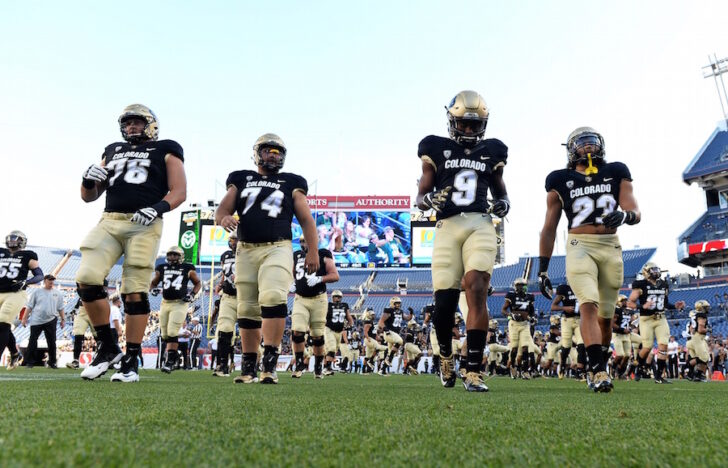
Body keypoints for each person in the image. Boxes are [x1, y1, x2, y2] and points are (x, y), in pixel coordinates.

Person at [75, 104, 187, 383]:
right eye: (128, 124)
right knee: (86, 277)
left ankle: (131, 358)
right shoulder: (112, 149)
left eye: (137, 122)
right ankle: (109, 346)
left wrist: (159, 207)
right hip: (110, 220)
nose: (131, 128)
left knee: (135, 289)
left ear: (151, 125)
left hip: (144, 223)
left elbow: (180, 191)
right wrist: (88, 179)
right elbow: (89, 196)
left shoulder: (166, 148)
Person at [416, 90, 509, 392]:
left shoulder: (493, 151)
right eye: (464, 124)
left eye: (474, 124)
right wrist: (428, 199)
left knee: (478, 287)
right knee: (443, 306)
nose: (469, 130)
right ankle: (445, 356)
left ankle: (473, 370)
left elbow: (501, 192)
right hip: (446, 227)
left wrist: (504, 204)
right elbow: (420, 195)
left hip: (480, 223)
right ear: (452, 121)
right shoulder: (434, 147)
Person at [539, 126, 640, 393]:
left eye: (592, 142)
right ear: (571, 149)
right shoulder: (560, 179)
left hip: (610, 245)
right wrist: (543, 269)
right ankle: (596, 371)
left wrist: (625, 217)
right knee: (588, 305)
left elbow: (633, 209)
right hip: (579, 244)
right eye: (582, 143)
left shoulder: (616, 171)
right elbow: (549, 227)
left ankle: (600, 362)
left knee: (606, 318)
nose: (588, 147)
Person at [216, 133, 319, 385]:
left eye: (278, 152)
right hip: (246, 249)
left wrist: (313, 251)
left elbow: (306, 218)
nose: (273, 156)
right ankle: (249, 365)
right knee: (247, 307)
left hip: (278, 246)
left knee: (273, 296)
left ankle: (270, 364)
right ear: (257, 153)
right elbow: (222, 210)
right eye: (268, 151)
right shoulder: (241, 178)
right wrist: (223, 219)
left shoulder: (291, 181)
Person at [291, 235, 339, 379]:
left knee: (317, 335)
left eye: (305, 240)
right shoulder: (297, 255)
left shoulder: (323, 254)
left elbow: (335, 275)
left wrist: (319, 278)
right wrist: (293, 282)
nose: (303, 244)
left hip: (318, 299)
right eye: (301, 241)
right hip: (300, 298)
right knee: (297, 331)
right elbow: (293, 272)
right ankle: (299, 364)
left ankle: (318, 366)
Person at [628, 262, 685, 383]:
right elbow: (630, 303)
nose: (656, 271)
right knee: (647, 347)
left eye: (656, 269)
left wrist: (675, 306)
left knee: (663, 346)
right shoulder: (640, 284)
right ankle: (638, 367)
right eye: (653, 269)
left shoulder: (663, 284)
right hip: (646, 319)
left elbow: (664, 304)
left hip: (661, 318)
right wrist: (643, 306)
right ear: (646, 272)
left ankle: (659, 376)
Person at [150, 245, 201, 373]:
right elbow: (153, 283)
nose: (172, 257)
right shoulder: (161, 268)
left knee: (173, 332)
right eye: (170, 254)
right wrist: (153, 289)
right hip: (165, 303)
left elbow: (198, 283)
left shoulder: (187, 268)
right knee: (165, 334)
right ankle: (174, 357)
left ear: (180, 256)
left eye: (175, 254)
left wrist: (192, 294)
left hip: (180, 303)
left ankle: (170, 362)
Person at [0, 231, 43, 369]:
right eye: (10, 238)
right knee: (3, 327)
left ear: (22, 241)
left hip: (15, 293)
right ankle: (14, 353)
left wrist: (26, 282)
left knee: (2, 323)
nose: (12, 240)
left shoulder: (27, 255)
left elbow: (39, 275)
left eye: (15, 238)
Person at [22, 275, 65, 368]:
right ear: (45, 281)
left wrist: (63, 319)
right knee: (32, 341)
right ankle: (30, 362)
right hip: (36, 320)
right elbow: (29, 306)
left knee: (52, 342)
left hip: (51, 320)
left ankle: (52, 362)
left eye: (53, 281)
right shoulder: (37, 292)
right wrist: (24, 318)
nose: (51, 283)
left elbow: (61, 308)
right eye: (50, 281)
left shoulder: (58, 293)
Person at [213, 233, 237, 377]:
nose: (232, 243)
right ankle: (223, 365)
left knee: (251, 330)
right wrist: (221, 283)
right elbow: (225, 272)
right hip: (228, 296)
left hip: (246, 296)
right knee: (224, 330)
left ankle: (252, 366)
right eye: (231, 240)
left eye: (235, 240)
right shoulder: (225, 255)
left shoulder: (249, 252)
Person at [502, 278, 535, 379]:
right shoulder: (511, 295)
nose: (521, 287)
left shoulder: (530, 297)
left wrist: (532, 317)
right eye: (519, 285)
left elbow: (531, 312)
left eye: (522, 285)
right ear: (515, 286)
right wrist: (510, 315)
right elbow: (503, 310)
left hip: (524, 324)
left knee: (525, 347)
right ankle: (512, 366)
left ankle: (525, 371)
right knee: (514, 348)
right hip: (514, 324)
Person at [551, 283, 585, 379]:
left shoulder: (583, 287)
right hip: (567, 320)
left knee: (582, 345)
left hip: (579, 319)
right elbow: (553, 306)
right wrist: (564, 308)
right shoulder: (564, 289)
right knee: (566, 347)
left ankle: (579, 371)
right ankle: (562, 365)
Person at [376, 297, 412, 376]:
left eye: (399, 303)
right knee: (400, 341)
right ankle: (388, 360)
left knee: (390, 353)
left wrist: (411, 313)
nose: (398, 305)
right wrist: (385, 329)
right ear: (392, 303)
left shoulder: (400, 311)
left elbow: (407, 318)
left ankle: (382, 370)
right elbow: (380, 322)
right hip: (389, 333)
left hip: (395, 334)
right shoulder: (389, 310)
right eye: (396, 303)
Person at [323, 290, 354, 375]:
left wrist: (350, 325)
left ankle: (324, 366)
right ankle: (327, 368)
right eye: (336, 296)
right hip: (329, 329)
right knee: (331, 348)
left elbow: (349, 317)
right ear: (332, 297)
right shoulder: (328, 305)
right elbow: (323, 316)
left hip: (339, 331)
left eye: (339, 297)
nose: (338, 298)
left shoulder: (344, 305)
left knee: (333, 350)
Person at [686, 300, 711, 382]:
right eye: (706, 307)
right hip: (698, 338)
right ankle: (697, 375)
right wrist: (708, 329)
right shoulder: (701, 315)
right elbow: (700, 329)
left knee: (700, 358)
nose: (707, 309)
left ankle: (692, 373)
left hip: (692, 338)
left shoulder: (694, 315)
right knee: (704, 357)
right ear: (701, 308)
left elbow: (691, 328)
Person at [611, 295, 633, 379]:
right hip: (618, 334)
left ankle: (620, 371)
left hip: (626, 335)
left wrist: (631, 327)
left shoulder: (628, 311)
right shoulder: (616, 310)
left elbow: (630, 323)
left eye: (626, 301)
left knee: (627, 355)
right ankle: (613, 369)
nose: (625, 302)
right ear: (619, 302)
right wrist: (622, 330)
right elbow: (612, 324)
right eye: (623, 301)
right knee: (620, 355)